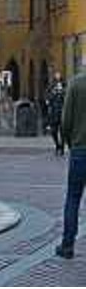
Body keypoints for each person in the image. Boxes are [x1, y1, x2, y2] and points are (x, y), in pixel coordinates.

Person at [56, 72, 86, 258]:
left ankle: (67, 246)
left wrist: (69, 142)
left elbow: (65, 120)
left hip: (80, 150)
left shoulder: (75, 84)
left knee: (73, 198)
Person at [46, 71, 66, 156]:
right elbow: (47, 99)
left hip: (62, 111)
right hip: (54, 112)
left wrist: (62, 92)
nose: (57, 75)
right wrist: (53, 93)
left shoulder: (65, 85)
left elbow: (67, 97)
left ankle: (62, 148)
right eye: (56, 74)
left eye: (59, 74)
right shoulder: (51, 86)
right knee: (53, 131)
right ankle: (57, 145)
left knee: (62, 132)